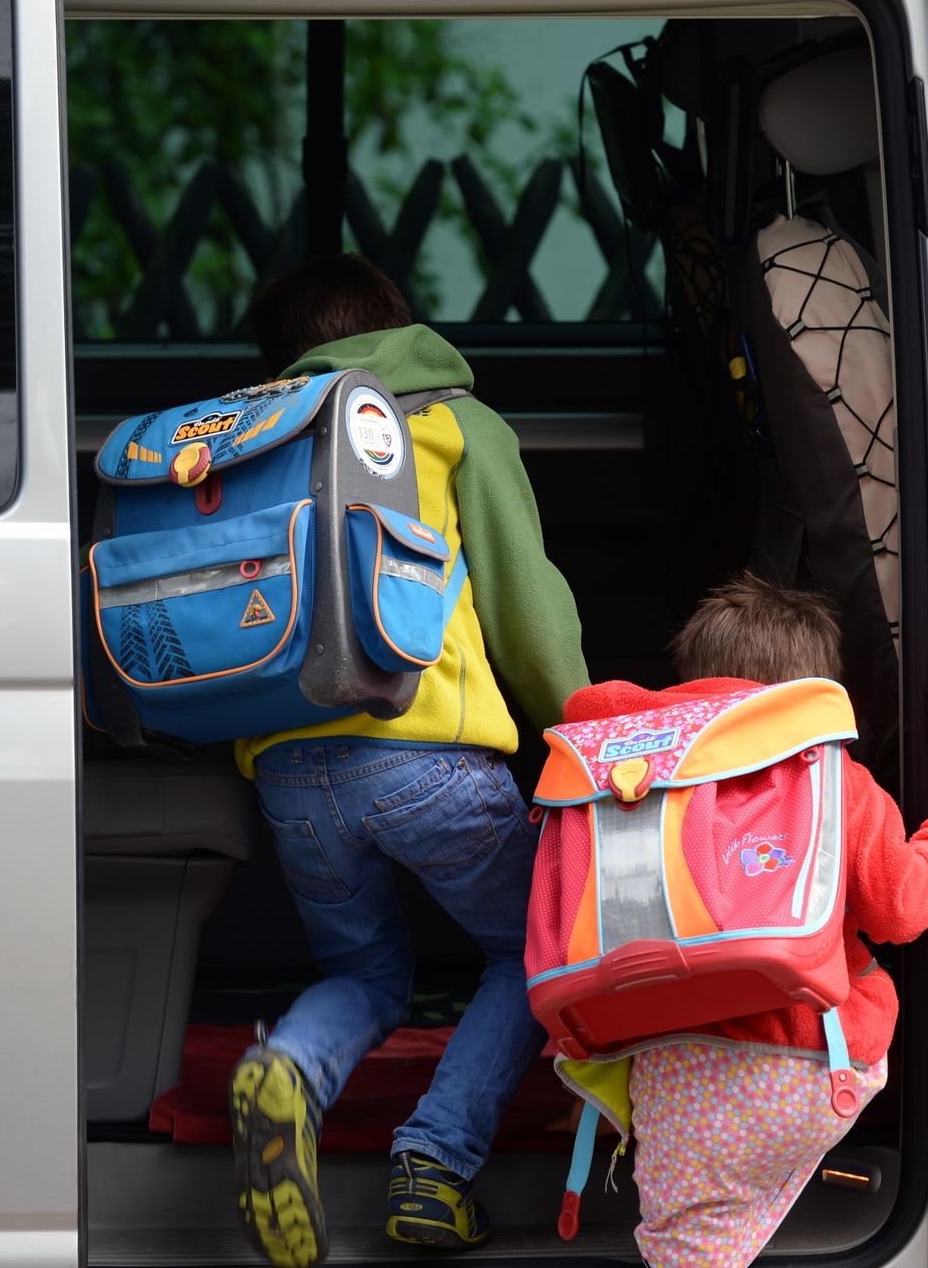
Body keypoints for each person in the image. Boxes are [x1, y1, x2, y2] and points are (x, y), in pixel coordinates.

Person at [226, 254, 587, 1266]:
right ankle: (432, 1164)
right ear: (398, 327)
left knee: (365, 971)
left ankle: (290, 1067)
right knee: (537, 949)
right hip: (428, 754)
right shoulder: (448, 422)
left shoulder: (251, 434)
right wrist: (586, 730)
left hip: (290, 771)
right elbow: (527, 611)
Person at [559, 572, 928, 1268]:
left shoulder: (626, 789)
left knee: (689, 1252)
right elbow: (899, 908)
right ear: (810, 695)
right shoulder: (834, 781)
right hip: (807, 1064)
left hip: (665, 1070)